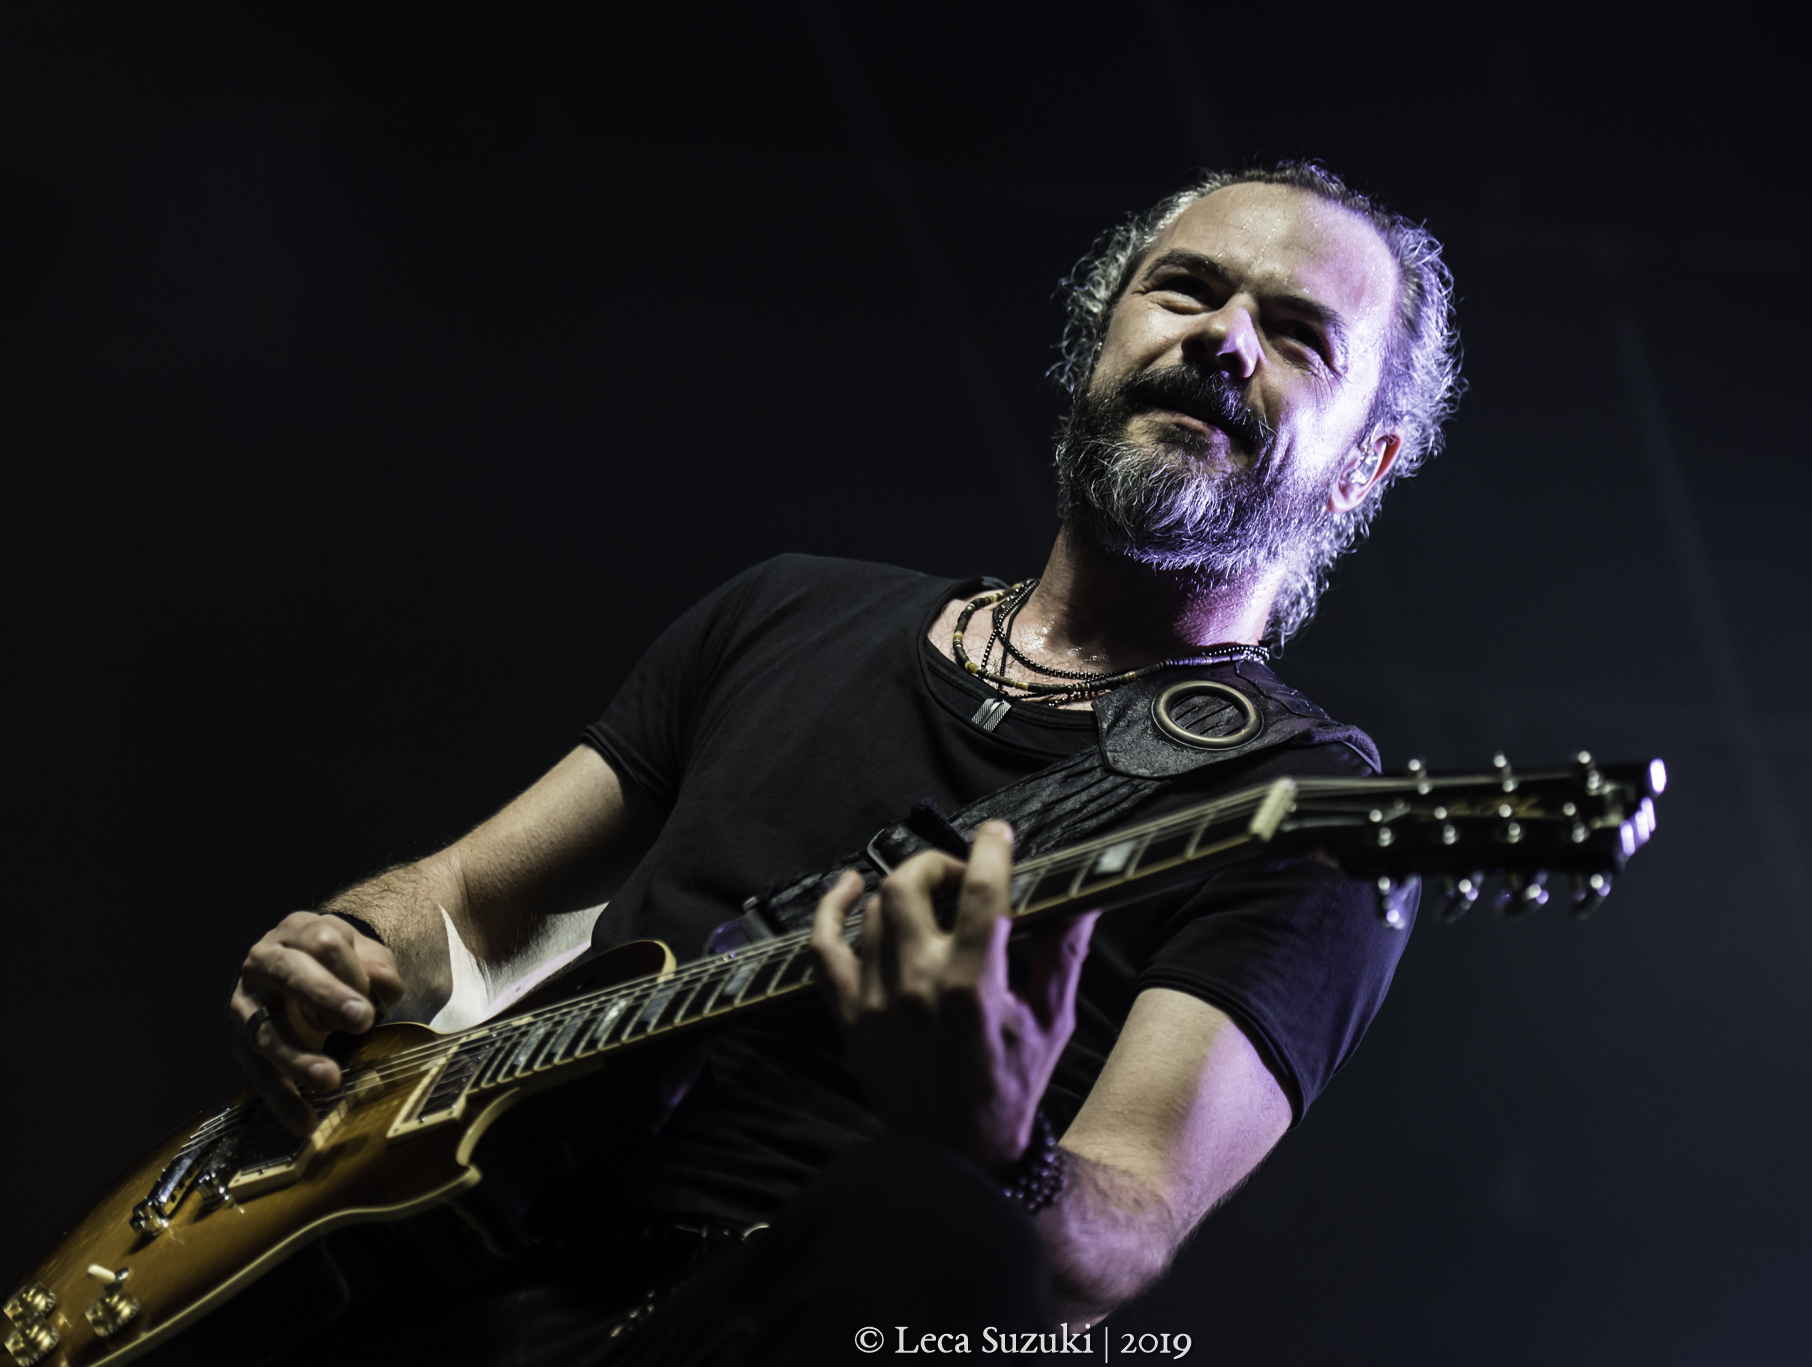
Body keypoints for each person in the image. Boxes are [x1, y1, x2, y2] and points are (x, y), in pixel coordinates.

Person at [224, 161, 1459, 1364]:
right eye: (1185, 289)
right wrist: (349, 950)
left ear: (1363, 465)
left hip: (803, 1303)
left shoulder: (1308, 809)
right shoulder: (789, 606)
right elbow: (471, 907)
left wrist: (995, 1150)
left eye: (1297, 335)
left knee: (926, 1224)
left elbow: (1116, 1240)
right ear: (1100, 339)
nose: (1222, 339)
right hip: (461, 1260)